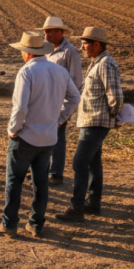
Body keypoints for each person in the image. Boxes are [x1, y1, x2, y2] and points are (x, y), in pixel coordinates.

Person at [0, 33, 80, 238]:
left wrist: (13, 128)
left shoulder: (27, 71)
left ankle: (9, 223)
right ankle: (36, 224)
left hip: (26, 137)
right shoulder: (60, 71)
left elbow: (20, 107)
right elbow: (75, 98)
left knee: (14, 181)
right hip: (48, 138)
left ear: (27, 53)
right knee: (41, 183)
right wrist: (58, 120)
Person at [56, 27, 123, 222]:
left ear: (96, 44)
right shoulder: (98, 62)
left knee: (79, 162)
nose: (82, 46)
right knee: (93, 163)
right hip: (91, 121)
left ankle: (77, 208)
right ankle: (93, 204)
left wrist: (112, 116)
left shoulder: (105, 64)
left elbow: (116, 96)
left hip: (95, 121)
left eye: (85, 43)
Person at [36, 16, 83, 185]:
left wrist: (67, 108)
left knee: (58, 137)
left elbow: (76, 82)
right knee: (43, 136)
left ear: (59, 32)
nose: (46, 35)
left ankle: (56, 174)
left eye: (49, 32)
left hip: (60, 103)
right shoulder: (44, 48)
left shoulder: (70, 52)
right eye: (45, 32)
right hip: (45, 101)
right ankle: (43, 170)